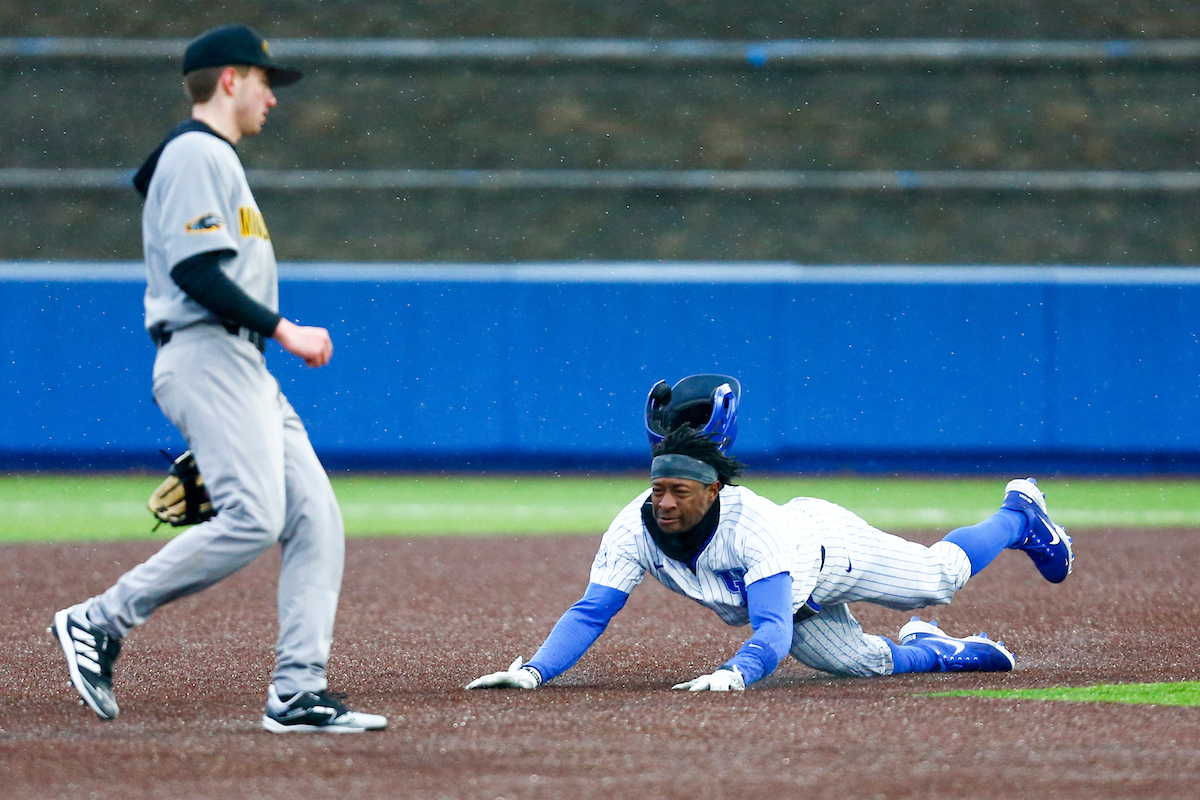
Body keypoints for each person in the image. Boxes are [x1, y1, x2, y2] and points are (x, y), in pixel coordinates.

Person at [48, 23, 386, 733]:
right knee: (254, 517)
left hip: (240, 366)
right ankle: (97, 620)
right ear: (230, 79)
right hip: (207, 355)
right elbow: (195, 271)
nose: (273, 97)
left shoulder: (210, 160)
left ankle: (297, 693)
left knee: (314, 519)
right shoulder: (197, 152)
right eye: (265, 81)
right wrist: (285, 328)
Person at [467, 374, 1073, 691]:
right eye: (659, 490)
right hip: (793, 601)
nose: (666, 502)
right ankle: (943, 650)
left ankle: (1019, 513)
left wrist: (738, 671)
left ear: (714, 491)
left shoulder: (752, 522)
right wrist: (533, 671)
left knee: (940, 579)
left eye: (681, 491)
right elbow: (592, 610)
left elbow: (773, 628)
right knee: (863, 666)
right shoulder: (635, 526)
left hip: (830, 551)